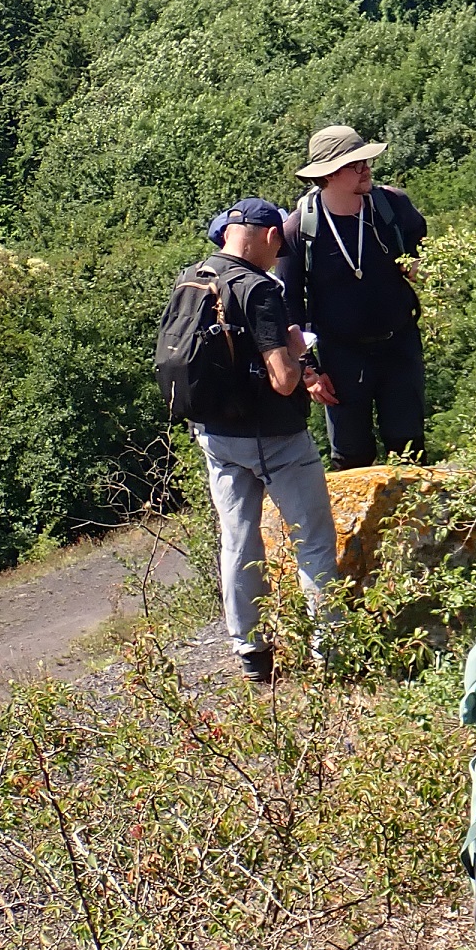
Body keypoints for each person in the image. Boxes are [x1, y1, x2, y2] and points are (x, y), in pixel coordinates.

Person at [184, 197, 341, 683]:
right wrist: (297, 351)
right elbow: (284, 380)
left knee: (238, 540)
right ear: (272, 236)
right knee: (313, 540)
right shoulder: (259, 289)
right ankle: (329, 651)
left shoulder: (193, 278)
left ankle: (250, 652)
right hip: (273, 437)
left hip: (214, 435)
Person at [282, 124, 429, 469]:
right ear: (329, 174)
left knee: (410, 449)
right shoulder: (299, 229)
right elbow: (289, 306)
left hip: (400, 345)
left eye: (366, 160)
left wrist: (422, 265)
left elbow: (424, 250)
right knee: (351, 457)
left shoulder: (392, 206)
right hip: (341, 356)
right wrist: (308, 370)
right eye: (355, 164)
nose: (367, 169)